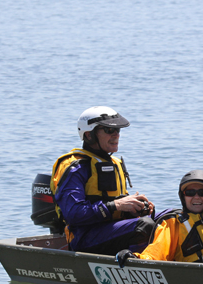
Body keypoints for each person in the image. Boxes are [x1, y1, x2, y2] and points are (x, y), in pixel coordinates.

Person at [50, 106, 155, 255]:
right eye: (109, 130)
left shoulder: (115, 163)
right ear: (89, 135)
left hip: (111, 233)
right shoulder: (75, 168)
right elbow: (74, 214)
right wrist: (116, 205)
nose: (116, 135)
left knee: (169, 217)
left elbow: (116, 208)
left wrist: (135, 208)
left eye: (118, 130)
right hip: (84, 239)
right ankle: (138, 265)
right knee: (145, 226)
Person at [116, 170, 203, 266]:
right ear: (183, 196)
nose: (196, 197)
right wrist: (135, 258)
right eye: (190, 192)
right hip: (199, 273)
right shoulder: (173, 224)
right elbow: (156, 251)